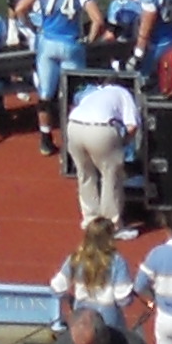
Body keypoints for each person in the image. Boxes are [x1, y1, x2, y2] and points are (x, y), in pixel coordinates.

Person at [62, 76, 140, 230]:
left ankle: (90, 220)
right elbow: (132, 126)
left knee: (85, 175)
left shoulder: (93, 93)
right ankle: (112, 226)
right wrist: (121, 144)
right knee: (111, 176)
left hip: (73, 126)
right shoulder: (123, 93)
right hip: (100, 128)